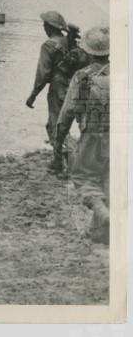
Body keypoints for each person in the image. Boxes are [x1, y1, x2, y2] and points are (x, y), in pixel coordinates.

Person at [55, 26, 109, 243]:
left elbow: (67, 113)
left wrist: (59, 141)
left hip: (93, 135)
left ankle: (103, 215)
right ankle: (100, 230)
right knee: (108, 178)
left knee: (84, 177)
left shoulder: (82, 77)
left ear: (87, 52)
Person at [26, 11, 86, 167]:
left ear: (48, 27)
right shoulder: (71, 42)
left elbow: (43, 73)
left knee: (56, 125)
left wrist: (33, 95)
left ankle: (63, 160)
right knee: (65, 124)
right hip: (76, 85)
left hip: (58, 87)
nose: (43, 27)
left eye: (44, 25)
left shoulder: (48, 45)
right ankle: (62, 158)